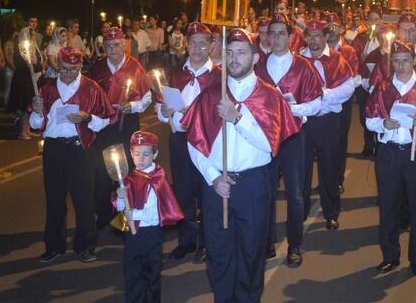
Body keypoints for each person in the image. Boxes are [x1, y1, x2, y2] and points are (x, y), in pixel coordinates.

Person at [182, 28, 298, 303]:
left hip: (253, 185)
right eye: (230, 53)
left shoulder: (269, 96)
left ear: (255, 57)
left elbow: (270, 146)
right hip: (217, 186)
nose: (234, 59)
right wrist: (213, 178)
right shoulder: (211, 94)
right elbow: (194, 143)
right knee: (219, 253)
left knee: (250, 252)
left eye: (241, 53)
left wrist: (236, 118)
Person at [365, 40, 416, 277]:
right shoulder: (382, 88)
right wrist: (382, 123)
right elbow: (369, 118)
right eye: (396, 61)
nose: (400, 66)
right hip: (389, 153)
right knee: (388, 207)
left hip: (415, 154)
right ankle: (390, 256)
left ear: (413, 61)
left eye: (405, 61)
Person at [30, 47, 115, 263]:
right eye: (65, 69)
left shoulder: (91, 88)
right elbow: (36, 125)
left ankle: (85, 246)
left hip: (81, 149)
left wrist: (87, 118)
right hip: (53, 150)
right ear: (58, 66)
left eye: (74, 70)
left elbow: (106, 119)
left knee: (84, 199)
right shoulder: (46, 89)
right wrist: (37, 111)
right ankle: (54, 246)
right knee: (54, 200)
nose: (69, 74)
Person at [256, 14, 323, 266]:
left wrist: (290, 108)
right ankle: (267, 244)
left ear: (291, 37)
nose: (275, 38)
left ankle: (294, 244)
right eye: (271, 33)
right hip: (265, 139)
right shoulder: (258, 66)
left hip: (294, 137)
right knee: (266, 192)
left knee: (295, 194)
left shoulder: (303, 66)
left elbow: (316, 104)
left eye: (280, 34)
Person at [158, 22, 221, 262]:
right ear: (186, 44)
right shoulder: (176, 74)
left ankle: (206, 242)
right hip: (179, 140)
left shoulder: (217, 76)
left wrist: (194, 113)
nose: (196, 48)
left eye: (202, 43)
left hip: (205, 141)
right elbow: (162, 111)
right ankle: (186, 240)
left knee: (206, 191)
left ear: (210, 46)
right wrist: (164, 111)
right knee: (182, 192)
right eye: (192, 43)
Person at [88, 27, 152, 228]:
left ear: (124, 44)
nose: (113, 49)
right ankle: (104, 214)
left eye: (116, 45)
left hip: (128, 125)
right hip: (104, 126)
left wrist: (132, 106)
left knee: (130, 169)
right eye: (108, 46)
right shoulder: (98, 69)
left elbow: (147, 96)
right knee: (102, 170)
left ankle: (130, 211)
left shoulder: (135, 66)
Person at [114, 130, 184, 303]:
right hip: (132, 235)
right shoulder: (129, 177)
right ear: (130, 153)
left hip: (150, 234)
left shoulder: (157, 178)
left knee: (150, 275)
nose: (140, 158)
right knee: (132, 274)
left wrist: (132, 214)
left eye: (146, 154)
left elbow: (153, 212)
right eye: (136, 154)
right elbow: (120, 208)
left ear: (155, 154)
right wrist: (121, 197)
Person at [300, 20, 356, 230]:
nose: (313, 40)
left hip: (327, 120)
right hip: (304, 122)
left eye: (317, 36)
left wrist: (324, 95)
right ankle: (301, 210)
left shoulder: (336, 58)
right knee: (302, 169)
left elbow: (348, 87)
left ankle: (331, 211)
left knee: (329, 168)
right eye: (310, 35)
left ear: (325, 37)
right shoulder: (297, 58)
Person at [325, 13, 360, 193]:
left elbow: (354, 78)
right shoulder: (316, 50)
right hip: (322, 103)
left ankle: (337, 178)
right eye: (327, 26)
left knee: (339, 141)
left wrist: (337, 92)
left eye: (334, 26)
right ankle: (326, 178)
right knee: (323, 144)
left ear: (341, 29)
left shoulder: (348, 51)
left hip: (341, 102)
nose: (330, 29)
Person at [351, 7, 383, 157]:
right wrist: (362, 59)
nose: (374, 23)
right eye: (371, 20)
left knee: (379, 113)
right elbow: (353, 58)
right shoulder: (361, 38)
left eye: (377, 20)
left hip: (380, 83)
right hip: (363, 80)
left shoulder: (386, 38)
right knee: (365, 113)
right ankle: (368, 145)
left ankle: (380, 145)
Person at [8, 27, 45, 141]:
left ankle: (27, 129)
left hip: (31, 79)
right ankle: (22, 131)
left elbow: (37, 62)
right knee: (25, 106)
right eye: (32, 35)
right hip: (23, 80)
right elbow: (24, 66)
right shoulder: (20, 49)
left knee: (30, 105)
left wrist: (39, 65)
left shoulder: (32, 48)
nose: (34, 37)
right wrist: (37, 66)